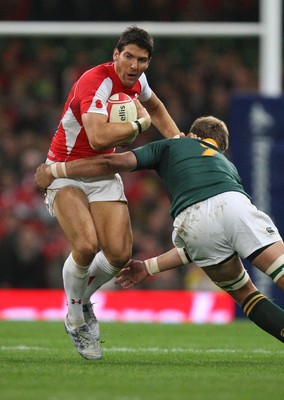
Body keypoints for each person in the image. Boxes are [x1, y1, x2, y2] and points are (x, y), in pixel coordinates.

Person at [35, 115, 284, 345]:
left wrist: (55, 170)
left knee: (245, 294)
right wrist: (150, 267)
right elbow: (217, 225)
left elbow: (113, 161)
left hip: (193, 221)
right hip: (233, 202)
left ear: (190, 135)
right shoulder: (225, 164)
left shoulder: (171, 145)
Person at [39, 25, 182, 361]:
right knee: (86, 245)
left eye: (141, 60)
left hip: (103, 172)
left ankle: (80, 298)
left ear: (148, 63)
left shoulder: (138, 83)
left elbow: (157, 108)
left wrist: (179, 142)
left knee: (119, 255)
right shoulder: (96, 81)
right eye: (128, 56)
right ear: (116, 54)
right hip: (66, 170)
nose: (133, 65)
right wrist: (138, 125)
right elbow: (99, 137)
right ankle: (76, 319)